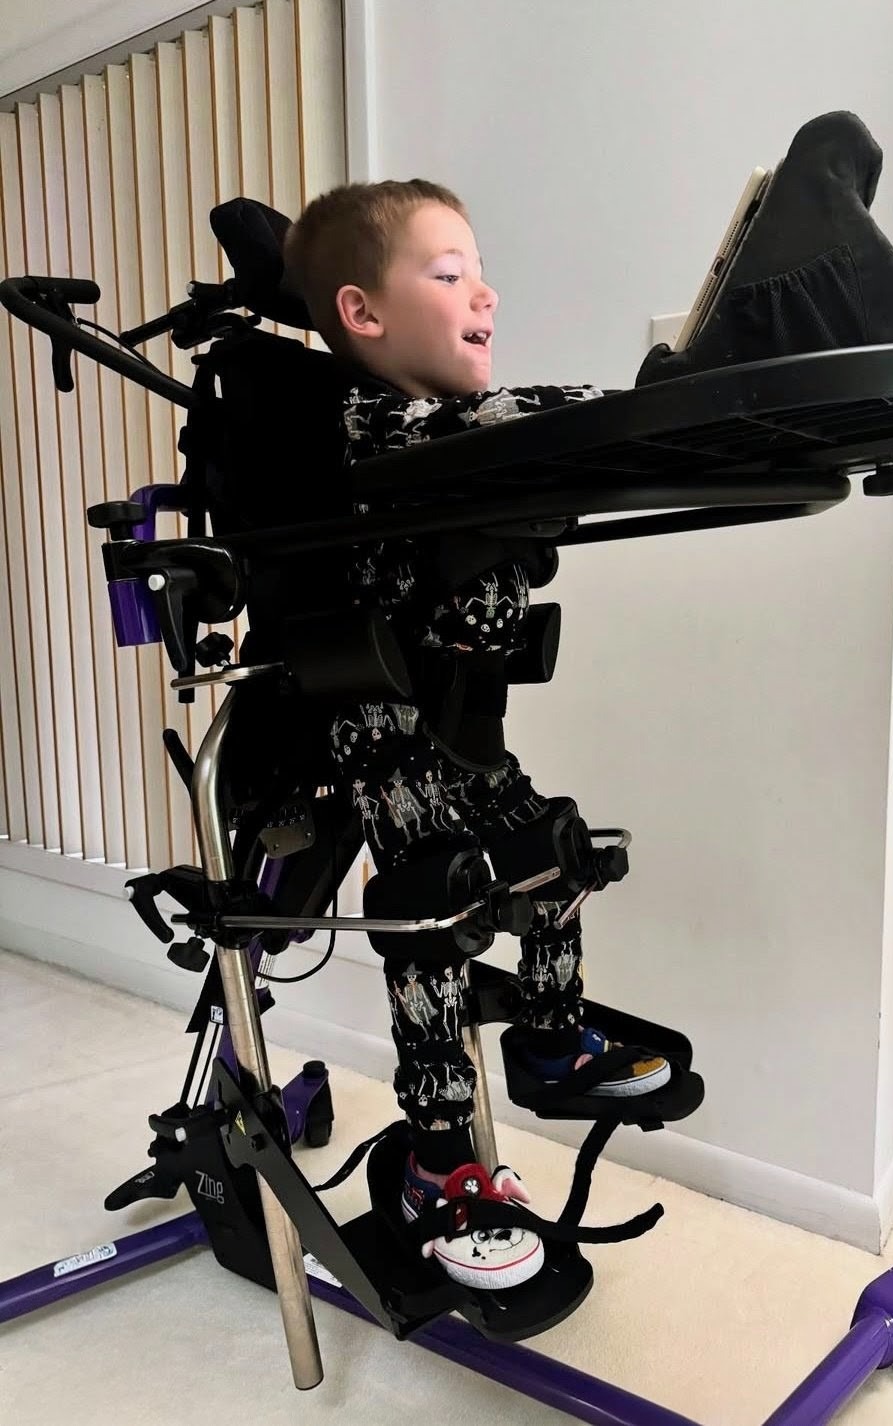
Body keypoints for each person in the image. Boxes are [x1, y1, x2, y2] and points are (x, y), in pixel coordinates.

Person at [283, 181, 673, 1291]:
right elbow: (505, 423)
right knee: (432, 904)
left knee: (559, 849)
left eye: (481, 272)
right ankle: (438, 1162)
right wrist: (656, 405)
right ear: (363, 314)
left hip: (463, 731)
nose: (485, 293)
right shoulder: (371, 424)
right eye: (450, 273)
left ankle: (548, 1034)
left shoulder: (454, 447)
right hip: (384, 737)